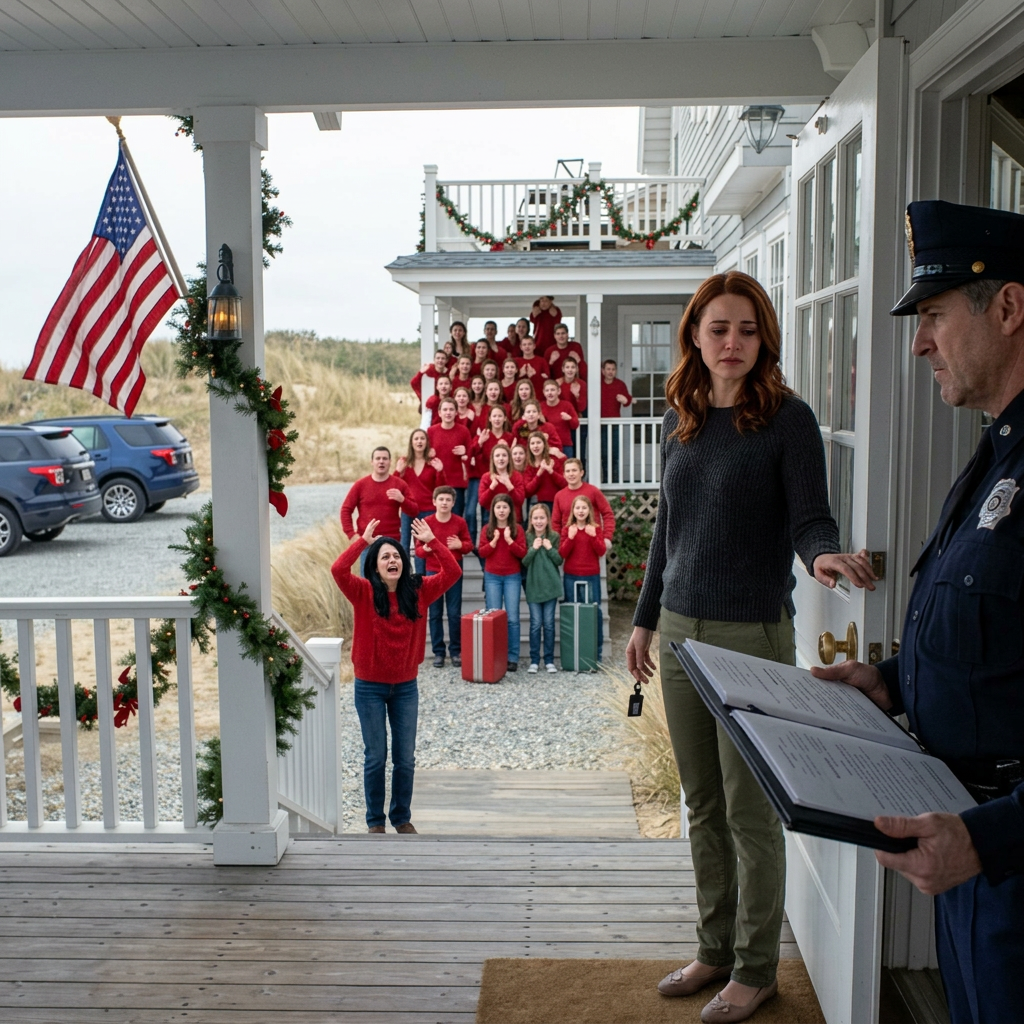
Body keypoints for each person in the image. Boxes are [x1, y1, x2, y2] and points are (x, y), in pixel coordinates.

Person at [624, 271, 876, 1022]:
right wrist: (644, 620)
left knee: (750, 810)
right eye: (718, 328)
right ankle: (713, 948)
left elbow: (810, 519)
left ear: (764, 338)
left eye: (746, 329)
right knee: (701, 802)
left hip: (751, 637)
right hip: (680, 634)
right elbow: (668, 533)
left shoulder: (787, 420)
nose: (732, 342)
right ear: (695, 337)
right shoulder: (682, 419)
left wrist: (823, 557)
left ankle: (756, 968)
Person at [810, 201, 1024, 1024]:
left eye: (933, 315)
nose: (919, 342)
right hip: (970, 847)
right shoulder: (997, 453)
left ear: (1007, 308)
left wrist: (990, 840)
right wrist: (892, 683)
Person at [331, 515, 460, 834]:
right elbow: (338, 570)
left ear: (404, 562)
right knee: (376, 756)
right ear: (375, 566)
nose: (392, 560)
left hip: (405, 687)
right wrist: (363, 542)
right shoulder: (362, 592)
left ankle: (401, 817)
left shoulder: (419, 590)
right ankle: (375, 821)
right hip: (369, 688)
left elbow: (453, 572)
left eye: (397, 556)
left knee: (405, 758)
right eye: (385, 556)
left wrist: (432, 542)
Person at [415, 485, 472, 670]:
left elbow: (469, 545)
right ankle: (439, 652)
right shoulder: (427, 522)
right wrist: (425, 548)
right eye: (441, 499)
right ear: (434, 502)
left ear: (454, 503)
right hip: (433, 572)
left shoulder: (460, 522)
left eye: (448, 500)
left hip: (454, 573)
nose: (444, 503)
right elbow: (418, 551)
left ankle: (456, 651)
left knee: (454, 613)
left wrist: (460, 545)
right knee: (435, 613)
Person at [340, 446, 419, 571]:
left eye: (384, 459)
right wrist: (352, 535)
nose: (381, 461)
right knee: (368, 581)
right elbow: (346, 510)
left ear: (390, 462)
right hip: (368, 542)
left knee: (394, 580)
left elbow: (414, 511)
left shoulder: (399, 484)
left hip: (392, 543)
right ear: (372, 462)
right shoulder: (360, 485)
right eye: (378, 459)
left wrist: (402, 500)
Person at [477, 492, 527, 673]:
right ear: (493, 510)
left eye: (505, 507)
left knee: (512, 618)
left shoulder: (517, 529)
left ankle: (512, 657)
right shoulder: (487, 529)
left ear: (510, 510)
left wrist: (509, 540)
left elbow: (522, 553)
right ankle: (496, 655)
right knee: (494, 617)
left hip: (512, 576)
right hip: (492, 577)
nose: (501, 510)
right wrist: (495, 541)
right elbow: (482, 552)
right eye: (498, 507)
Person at [559, 494, 607, 661]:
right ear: (573, 510)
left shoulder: (595, 528)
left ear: (589, 510)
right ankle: (574, 653)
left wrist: (593, 536)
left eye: (584, 508)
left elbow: (601, 551)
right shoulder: (568, 529)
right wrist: (570, 538)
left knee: (594, 612)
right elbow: (562, 553)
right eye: (577, 508)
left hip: (591, 576)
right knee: (573, 613)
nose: (580, 511)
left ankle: (595, 653)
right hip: (571, 576)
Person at [395, 429, 446, 571]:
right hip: (408, 510)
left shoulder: (433, 463)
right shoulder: (404, 463)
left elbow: (441, 489)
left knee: (423, 546)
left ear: (427, 442)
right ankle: (405, 575)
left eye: (422, 438)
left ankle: (421, 577)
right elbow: (394, 486)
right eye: (416, 439)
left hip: (428, 510)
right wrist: (397, 471)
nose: (419, 441)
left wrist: (440, 471)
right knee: (404, 544)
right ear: (411, 442)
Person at [522, 502, 562, 674]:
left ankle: (549, 660)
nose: (539, 521)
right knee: (536, 624)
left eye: (542, 518)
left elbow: (559, 560)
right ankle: (534, 660)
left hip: (550, 586)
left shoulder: (554, 536)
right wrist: (533, 548)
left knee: (549, 624)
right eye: (535, 518)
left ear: (547, 519)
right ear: (531, 520)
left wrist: (549, 548)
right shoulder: (526, 537)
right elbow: (524, 561)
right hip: (533, 586)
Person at [551, 457, 615, 549]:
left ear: (581, 473)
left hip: (593, 543)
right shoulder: (559, 496)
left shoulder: (593, 491)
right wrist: (558, 542)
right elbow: (555, 523)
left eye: (574, 470)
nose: (571, 474)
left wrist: (607, 537)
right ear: (564, 475)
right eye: (568, 471)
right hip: (569, 545)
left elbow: (607, 514)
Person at [427, 399, 472, 517]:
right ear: (439, 413)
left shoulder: (463, 431)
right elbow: (423, 455)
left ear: (456, 412)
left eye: (451, 409)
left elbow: (471, 455)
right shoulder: (431, 431)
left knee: (456, 517)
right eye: (445, 409)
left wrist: (465, 452)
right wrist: (428, 454)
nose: (448, 412)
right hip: (436, 481)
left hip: (456, 483)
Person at [600, 359, 632, 484]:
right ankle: (605, 479)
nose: (610, 372)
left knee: (614, 454)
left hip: (614, 424)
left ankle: (615, 480)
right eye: (608, 369)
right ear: (603, 371)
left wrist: (625, 400)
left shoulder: (620, 384)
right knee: (604, 454)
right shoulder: (598, 383)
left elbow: (628, 400)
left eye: (613, 369)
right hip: (600, 424)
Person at [479, 442, 525, 521]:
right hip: (492, 519)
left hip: (513, 518)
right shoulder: (486, 477)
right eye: (497, 456)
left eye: (504, 455)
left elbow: (520, 501)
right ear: (493, 459)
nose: (501, 458)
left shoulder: (517, 476)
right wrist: (492, 487)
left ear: (509, 459)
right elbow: (482, 502)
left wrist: (509, 485)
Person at [524, 431, 566, 511]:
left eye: (538, 442)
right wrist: (539, 473)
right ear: (529, 446)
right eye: (532, 443)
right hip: (536, 505)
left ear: (544, 444)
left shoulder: (553, 460)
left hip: (555, 503)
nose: (535, 446)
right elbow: (527, 491)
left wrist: (551, 472)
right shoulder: (529, 465)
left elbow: (564, 484)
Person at [559, 356, 589, 468]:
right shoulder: (558, 383)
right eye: (567, 367)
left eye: (573, 367)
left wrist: (577, 396)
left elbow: (582, 407)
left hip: (576, 421)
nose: (570, 370)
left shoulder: (581, 384)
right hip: (562, 422)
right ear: (563, 369)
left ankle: (581, 473)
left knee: (579, 450)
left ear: (576, 369)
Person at [541, 377, 579, 456]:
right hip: (546, 445)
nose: (550, 393)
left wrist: (569, 419)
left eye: (552, 390)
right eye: (547, 390)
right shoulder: (540, 407)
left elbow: (575, 425)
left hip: (565, 445)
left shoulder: (567, 405)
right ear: (543, 392)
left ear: (559, 391)